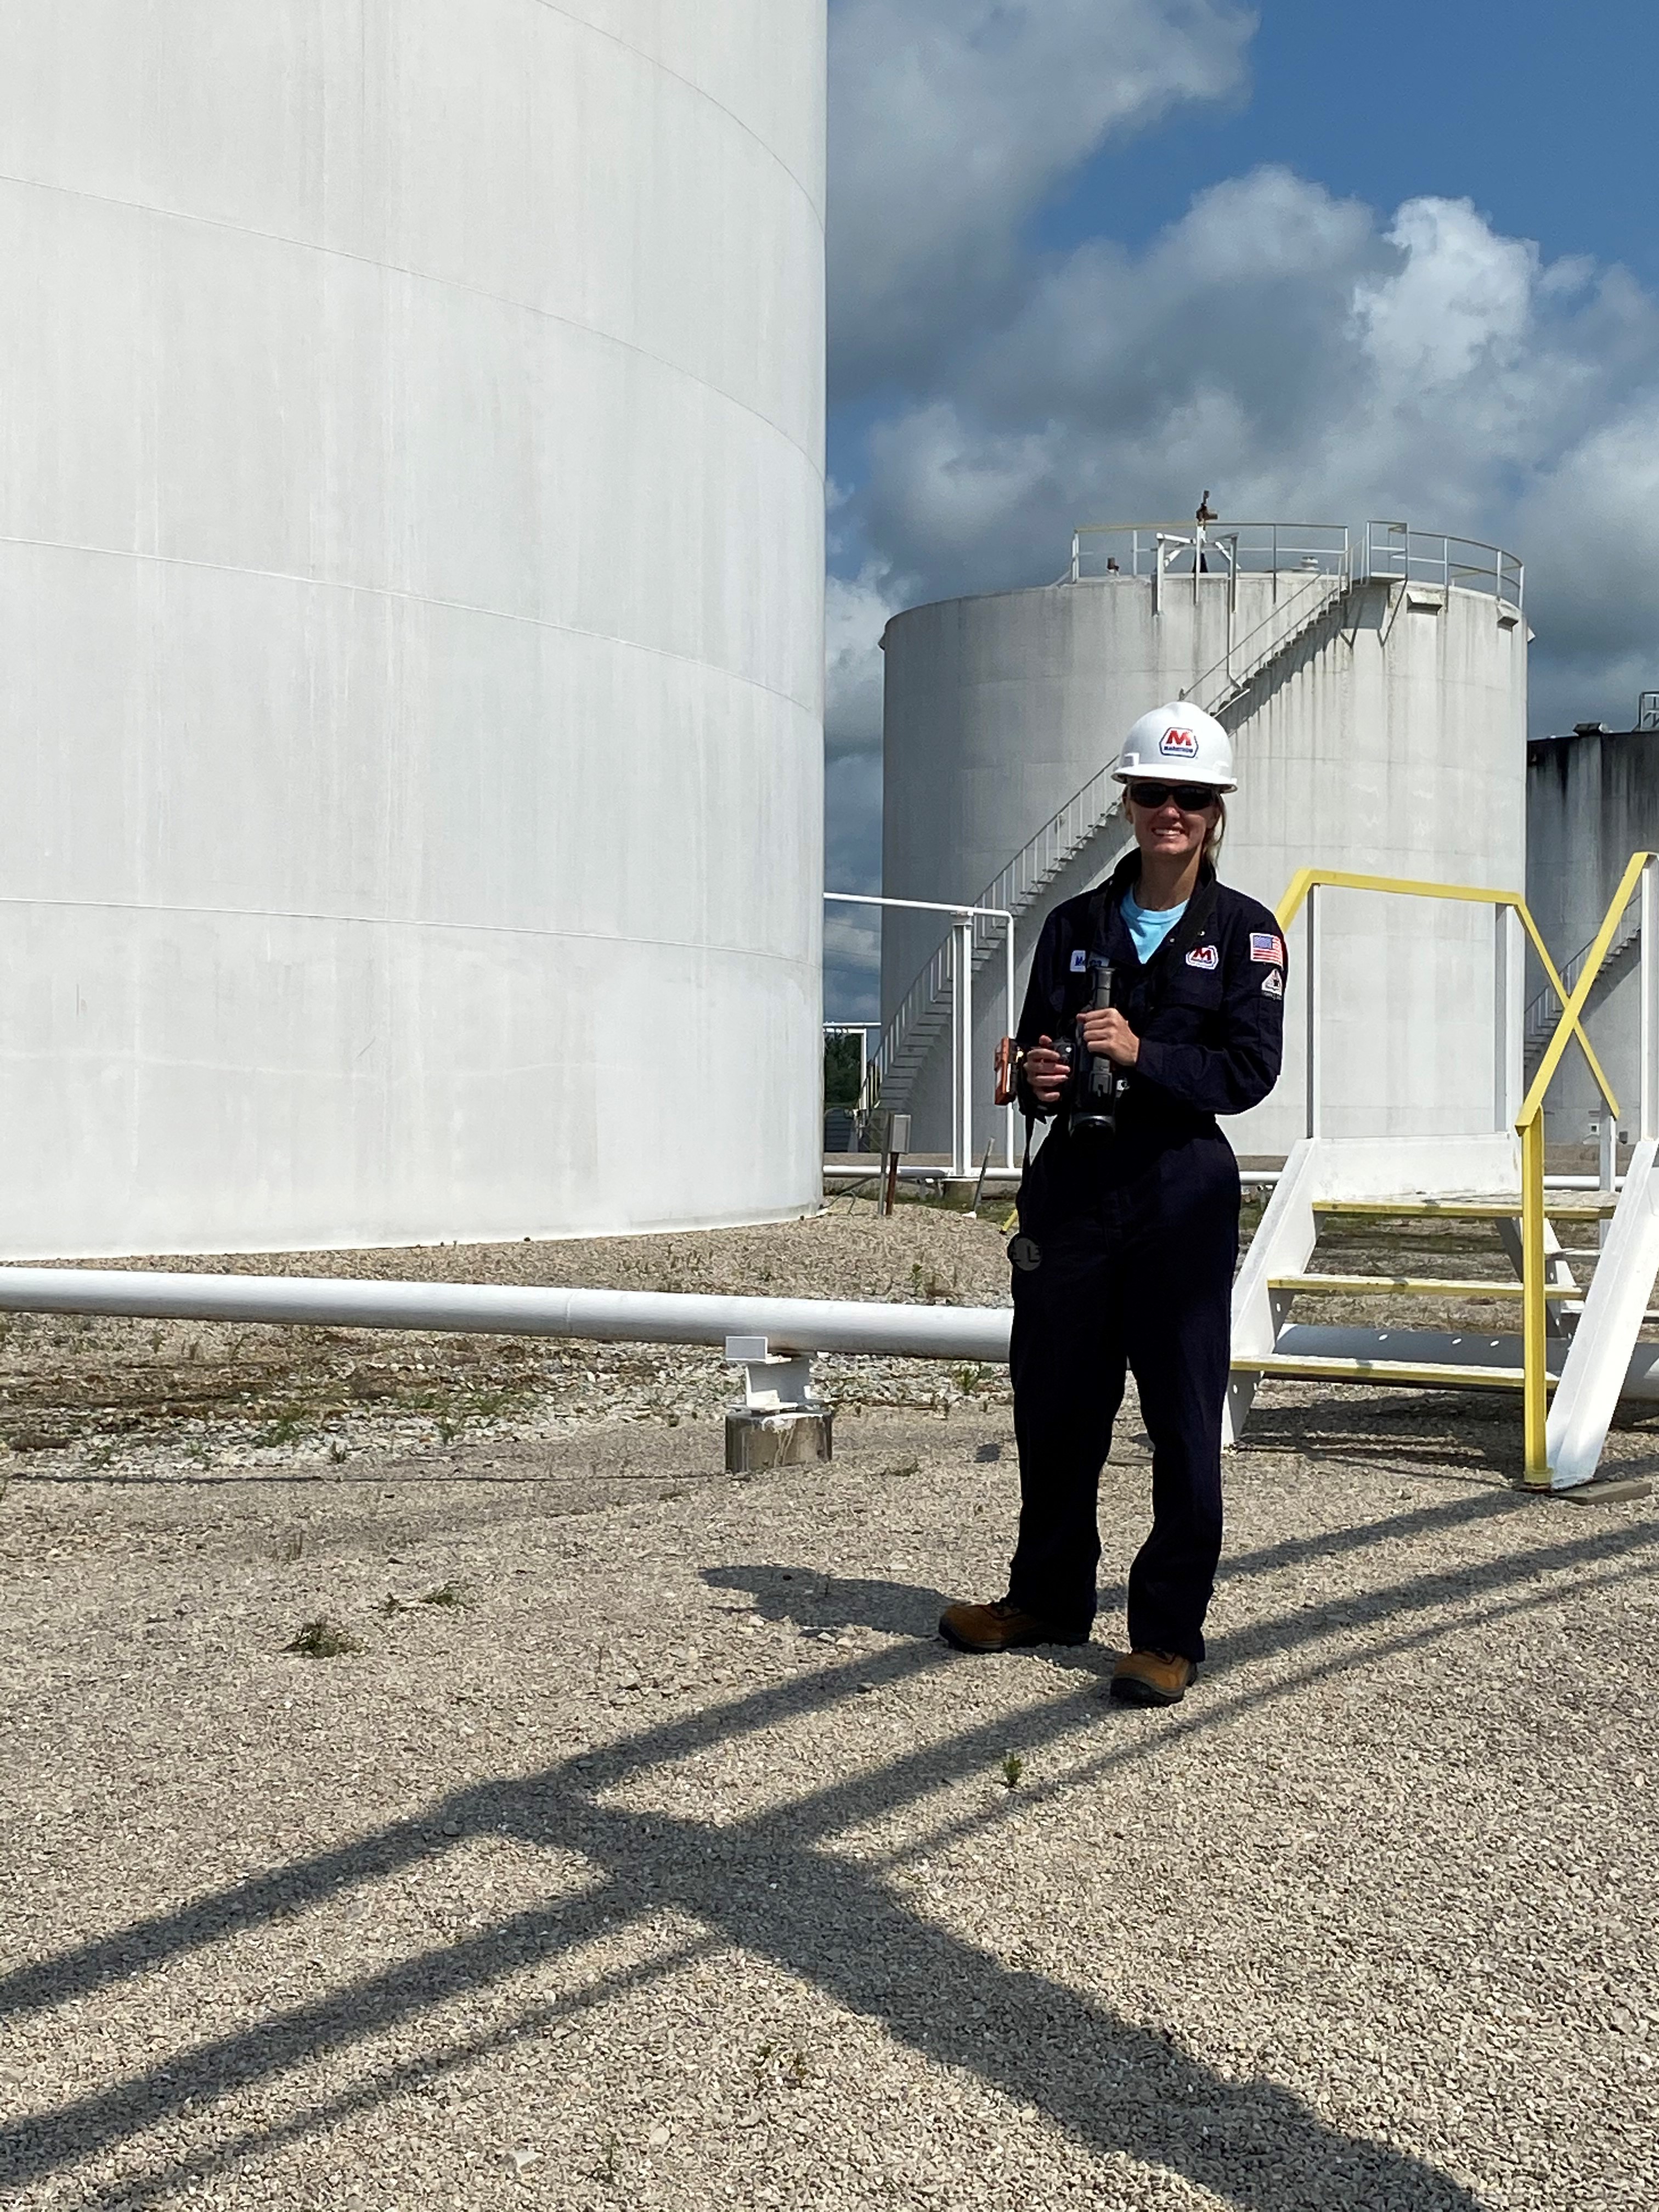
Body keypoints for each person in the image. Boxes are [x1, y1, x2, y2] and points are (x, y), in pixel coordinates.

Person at [939, 703, 1286, 1705]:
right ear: (1128, 804)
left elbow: (1249, 1071)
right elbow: (1040, 1043)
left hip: (1178, 1187)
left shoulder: (1246, 934)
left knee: (1180, 1418)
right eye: (1152, 794)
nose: (1169, 811)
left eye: (1190, 797)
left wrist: (1142, 1055)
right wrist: (1040, 1076)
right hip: (1076, 1189)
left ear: (1215, 812)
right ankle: (1045, 1596)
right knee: (1054, 1404)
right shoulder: (1076, 924)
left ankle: (1167, 1634)